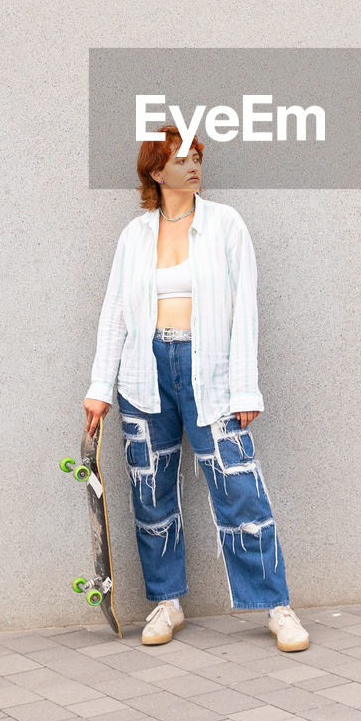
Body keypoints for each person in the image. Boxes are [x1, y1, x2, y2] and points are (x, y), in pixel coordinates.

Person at [83, 124, 309, 652]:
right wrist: (100, 387)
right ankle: (166, 602)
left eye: (197, 157)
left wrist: (245, 389)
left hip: (209, 371)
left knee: (239, 488)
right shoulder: (135, 234)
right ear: (157, 171)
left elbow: (244, 310)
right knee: (151, 491)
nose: (194, 166)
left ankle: (276, 605)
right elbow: (114, 312)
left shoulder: (226, 225)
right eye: (182, 160)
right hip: (145, 371)